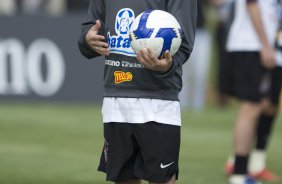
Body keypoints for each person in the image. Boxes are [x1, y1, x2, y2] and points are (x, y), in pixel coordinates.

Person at [78, 0, 197, 184]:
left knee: (162, 179)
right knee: (124, 178)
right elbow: (89, 29)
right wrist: (88, 39)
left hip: (158, 100)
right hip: (116, 100)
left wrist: (167, 65)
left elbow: (183, 43)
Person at [224, 0, 280, 183]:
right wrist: (265, 45)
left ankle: (248, 165)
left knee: (266, 106)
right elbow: (252, 4)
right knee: (251, 107)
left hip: (265, 48)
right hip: (252, 46)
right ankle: (239, 173)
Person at [179, 0, 212, 111]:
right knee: (184, 71)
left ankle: (198, 104)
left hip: (201, 33)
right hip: (183, 32)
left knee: (201, 71)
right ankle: (182, 102)